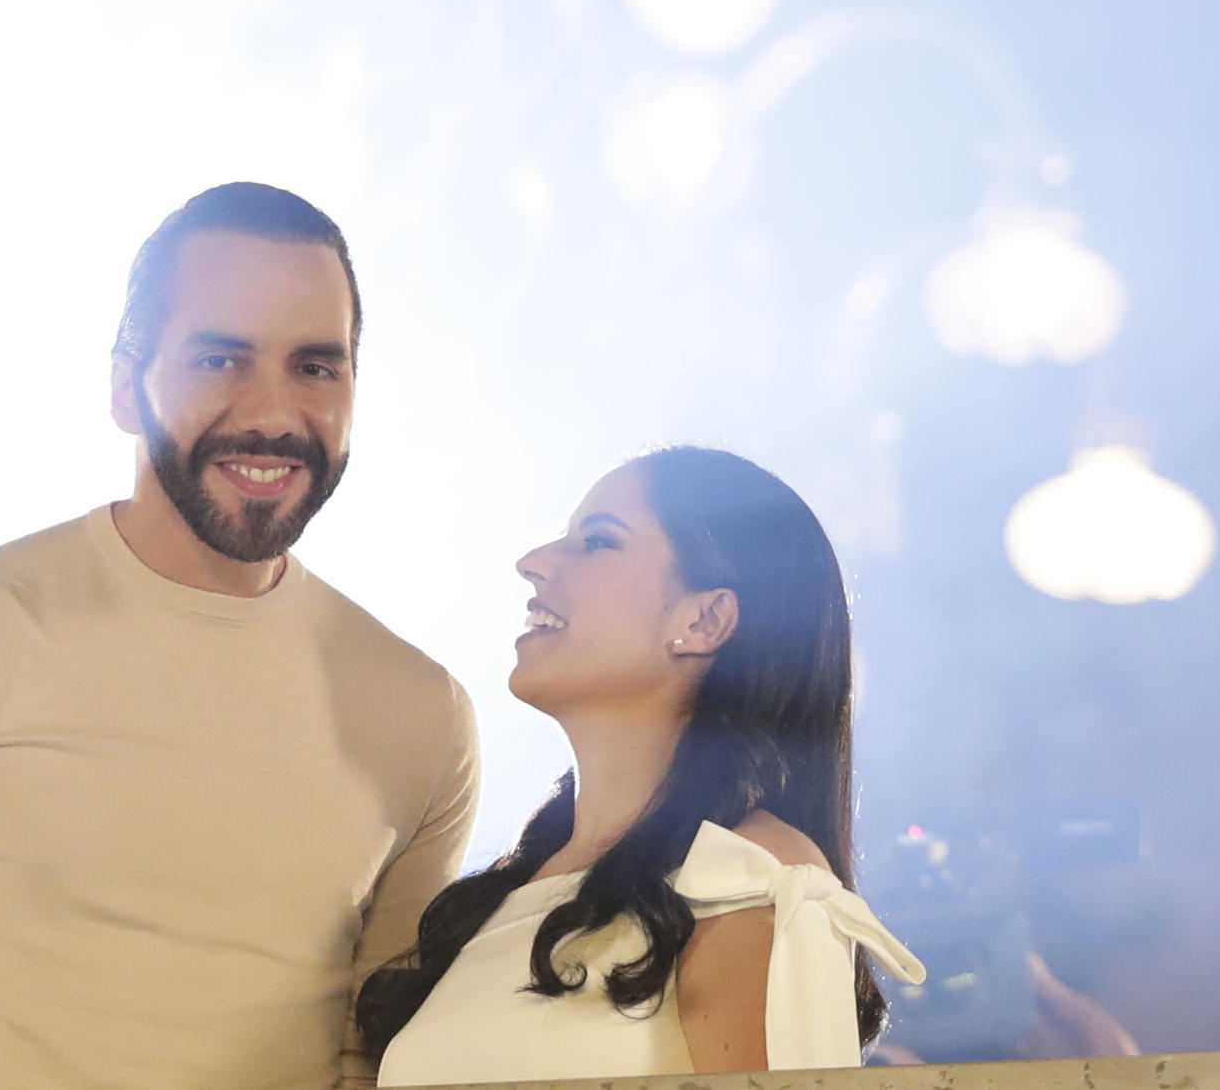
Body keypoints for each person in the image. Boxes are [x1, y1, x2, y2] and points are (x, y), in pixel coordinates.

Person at [0, 182, 479, 1090]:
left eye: (316, 367)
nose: (271, 411)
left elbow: (369, 1061)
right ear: (124, 387)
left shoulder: (422, 713)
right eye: (221, 358)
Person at [357, 447, 925, 1084]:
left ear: (705, 619)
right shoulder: (501, 895)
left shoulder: (751, 878)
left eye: (598, 541)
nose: (534, 562)